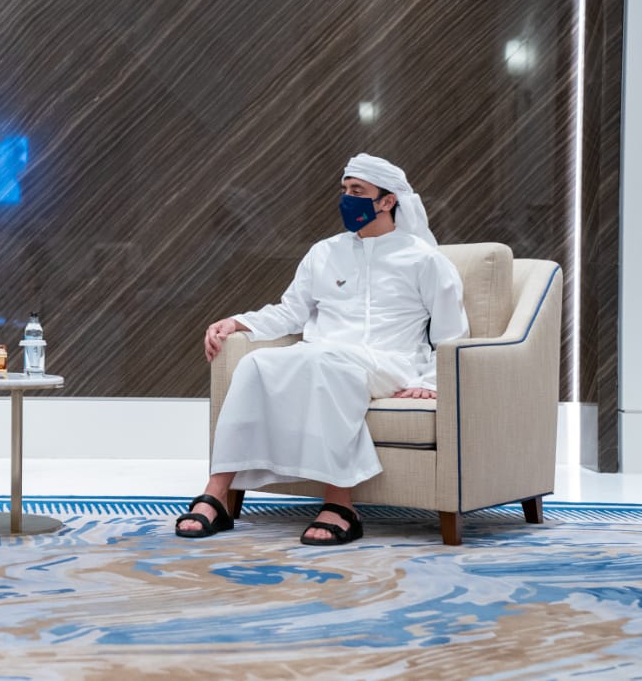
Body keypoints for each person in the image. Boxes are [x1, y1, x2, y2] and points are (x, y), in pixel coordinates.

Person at [177, 154, 468, 545]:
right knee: (255, 364)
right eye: (345, 189)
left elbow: (452, 332)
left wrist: (430, 383)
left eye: (358, 191)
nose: (347, 198)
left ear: (387, 201)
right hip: (324, 354)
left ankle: (341, 505)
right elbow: (291, 312)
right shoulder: (324, 252)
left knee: (324, 363)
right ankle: (216, 494)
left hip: (391, 361)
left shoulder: (425, 259)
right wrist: (237, 322)